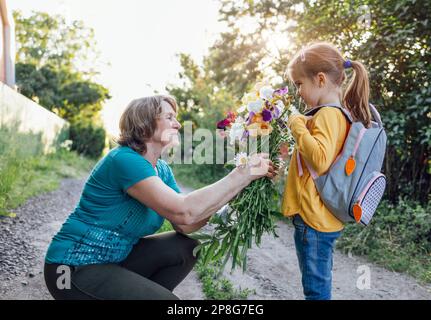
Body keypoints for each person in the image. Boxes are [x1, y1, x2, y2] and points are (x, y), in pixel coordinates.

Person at [44, 95, 275, 300]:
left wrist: (237, 191)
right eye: (169, 117)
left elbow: (187, 225)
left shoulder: (161, 169)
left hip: (115, 261)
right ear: (144, 124)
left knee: (186, 246)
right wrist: (242, 173)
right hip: (72, 269)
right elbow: (183, 210)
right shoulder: (124, 160)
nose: (177, 124)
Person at [282, 42, 373, 300]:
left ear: (320, 79)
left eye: (299, 84)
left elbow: (320, 160)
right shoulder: (339, 115)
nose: (298, 92)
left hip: (314, 219)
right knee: (319, 283)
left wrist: (297, 124)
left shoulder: (328, 116)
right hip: (321, 217)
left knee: (316, 290)